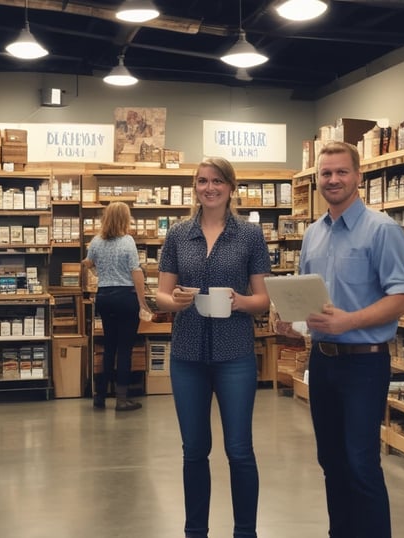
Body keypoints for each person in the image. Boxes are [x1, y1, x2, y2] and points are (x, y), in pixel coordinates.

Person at [275, 141, 404, 538]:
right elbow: (311, 299)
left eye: (342, 172)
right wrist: (293, 322)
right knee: (331, 461)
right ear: (317, 179)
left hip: (365, 363)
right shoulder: (312, 235)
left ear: (359, 176)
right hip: (322, 361)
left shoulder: (382, 229)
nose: (333, 179)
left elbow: (403, 297)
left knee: (360, 463)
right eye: (326, 173)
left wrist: (350, 321)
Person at [156, 156, 271, 538]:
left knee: (239, 449)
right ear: (195, 187)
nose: (210, 188)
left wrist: (239, 301)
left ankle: (245, 532)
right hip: (187, 355)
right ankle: (195, 531)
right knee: (193, 450)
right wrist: (176, 302)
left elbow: (263, 299)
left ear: (231, 187)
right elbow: (162, 294)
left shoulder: (250, 235)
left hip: (235, 354)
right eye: (203, 181)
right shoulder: (178, 234)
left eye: (218, 181)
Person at [84, 201, 152, 411]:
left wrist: (100, 272)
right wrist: (142, 301)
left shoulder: (96, 241)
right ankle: (122, 399)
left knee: (109, 347)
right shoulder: (127, 241)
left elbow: (87, 262)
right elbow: (136, 272)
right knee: (124, 349)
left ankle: (100, 396)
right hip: (125, 297)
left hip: (104, 296)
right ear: (124, 219)